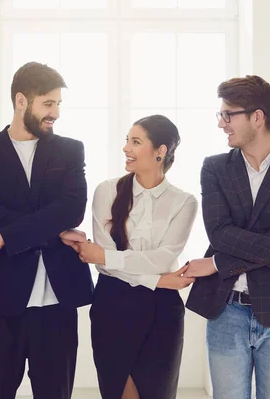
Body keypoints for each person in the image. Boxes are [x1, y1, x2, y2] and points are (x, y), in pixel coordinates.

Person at [0, 62, 93, 399]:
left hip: (57, 303)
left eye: (59, 105)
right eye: (48, 104)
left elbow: (72, 209)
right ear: (21, 101)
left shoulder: (70, 149)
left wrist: (7, 236)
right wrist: (54, 229)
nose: (56, 113)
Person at [185, 75, 270, 398]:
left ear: (257, 117)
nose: (221, 123)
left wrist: (217, 264)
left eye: (228, 114)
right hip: (227, 311)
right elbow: (221, 234)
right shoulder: (214, 168)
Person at [64, 115, 197, 399]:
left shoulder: (184, 202)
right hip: (113, 305)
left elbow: (162, 259)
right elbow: (104, 263)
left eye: (135, 142)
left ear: (160, 151)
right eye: (127, 140)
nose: (126, 148)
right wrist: (158, 281)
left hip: (162, 314)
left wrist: (107, 257)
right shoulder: (107, 191)